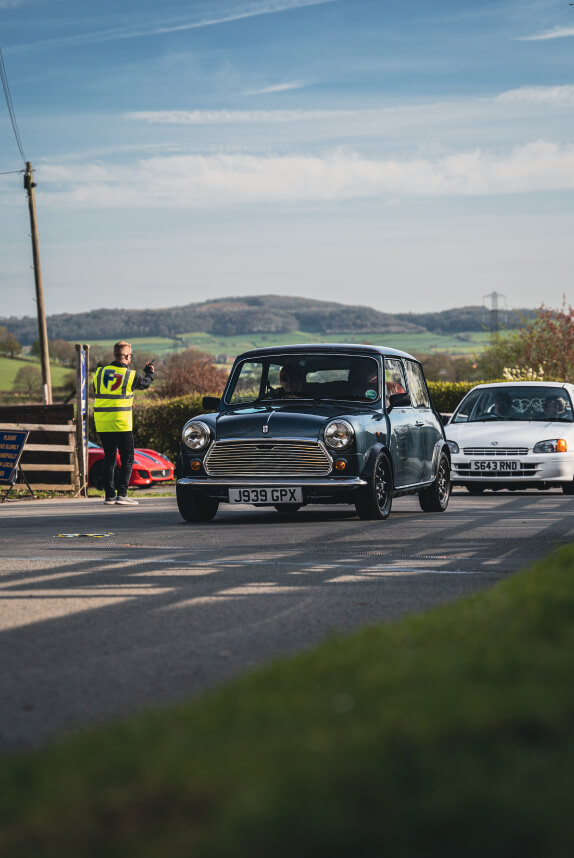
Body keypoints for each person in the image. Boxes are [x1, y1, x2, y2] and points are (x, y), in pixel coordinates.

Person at [93, 341, 155, 505]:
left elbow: (108, 393)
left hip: (102, 422)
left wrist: (128, 401)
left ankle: (110, 495)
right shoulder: (130, 375)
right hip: (121, 422)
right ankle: (122, 494)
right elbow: (146, 384)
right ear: (127, 356)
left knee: (109, 457)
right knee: (128, 458)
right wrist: (149, 372)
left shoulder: (99, 373)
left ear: (114, 355)